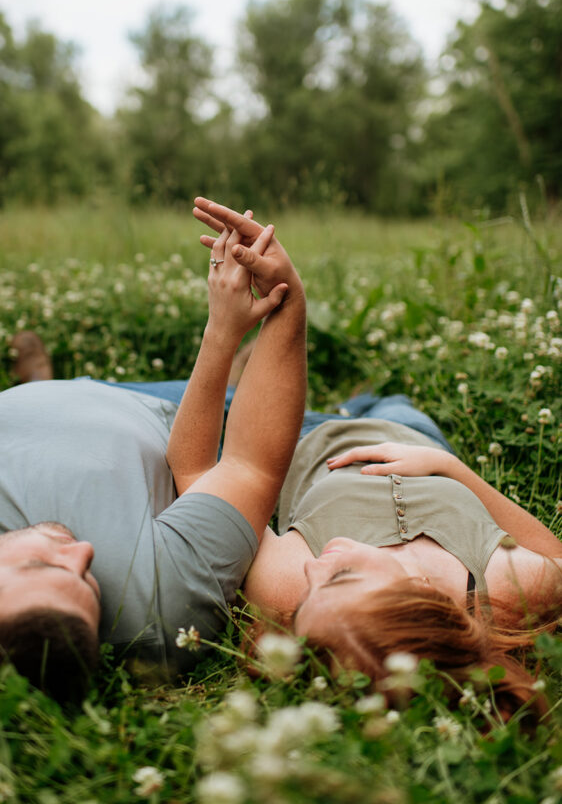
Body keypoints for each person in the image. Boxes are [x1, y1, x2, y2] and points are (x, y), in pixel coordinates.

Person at [0, 202, 306, 713]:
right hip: (166, 413)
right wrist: (284, 305)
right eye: (87, 584)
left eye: (42, 565)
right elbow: (247, 465)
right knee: (360, 429)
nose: (82, 554)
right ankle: (259, 374)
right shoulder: (153, 608)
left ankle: (42, 383)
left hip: (63, 402)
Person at [189, 200, 562, 721]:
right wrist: (449, 469)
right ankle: (352, 394)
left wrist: (229, 329)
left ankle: (256, 375)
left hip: (299, 437)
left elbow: (206, 476)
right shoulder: (504, 590)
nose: (316, 569)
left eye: (302, 607)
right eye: (339, 579)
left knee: (221, 406)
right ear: (420, 600)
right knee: (391, 401)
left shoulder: (288, 588)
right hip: (408, 431)